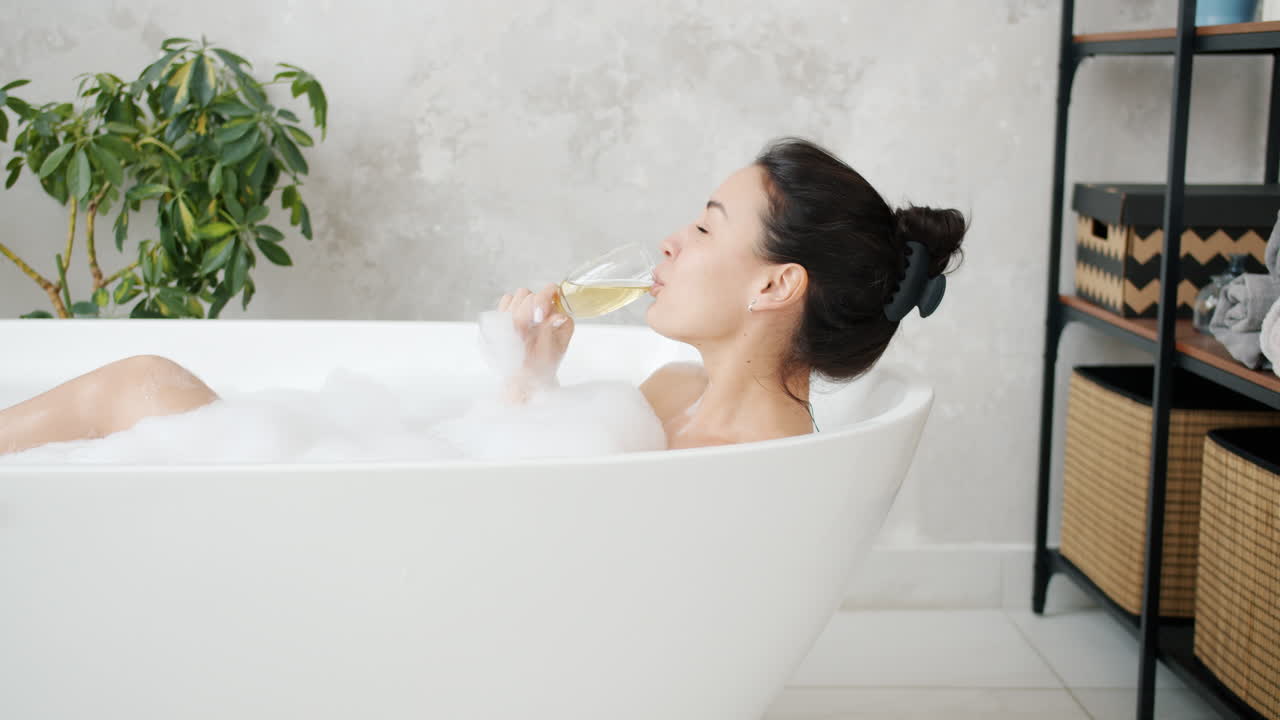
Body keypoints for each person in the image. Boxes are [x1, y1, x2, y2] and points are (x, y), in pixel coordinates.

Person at [0, 136, 967, 457]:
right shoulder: (672, 395)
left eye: (708, 225)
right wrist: (532, 379)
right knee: (142, 380)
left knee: (138, 386)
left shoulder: (757, 463)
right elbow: (507, 478)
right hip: (365, 506)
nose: (674, 239)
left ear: (775, 284)